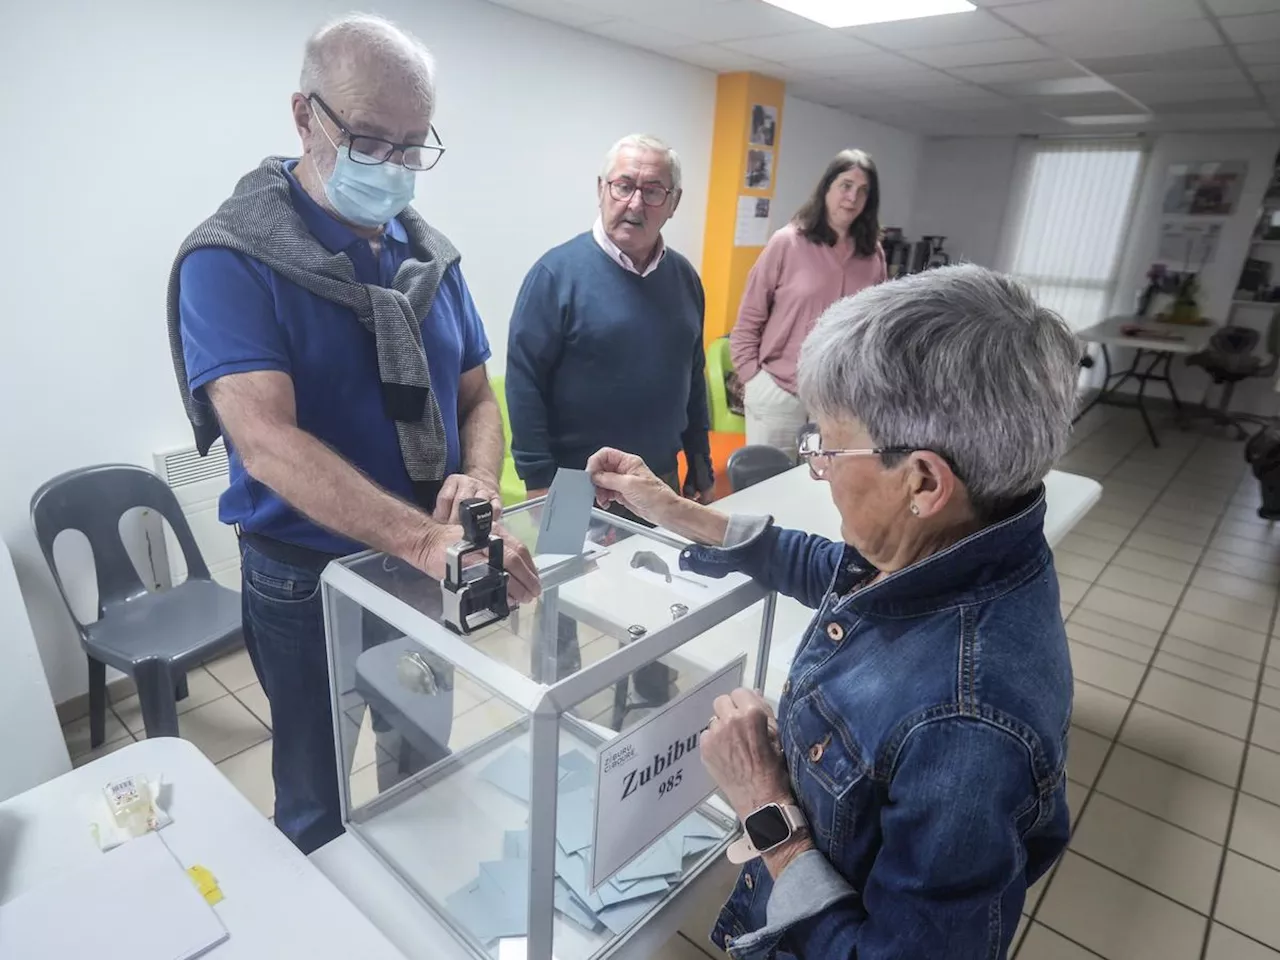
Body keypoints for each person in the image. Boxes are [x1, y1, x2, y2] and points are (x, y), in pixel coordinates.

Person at [587, 264, 1078, 959]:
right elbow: (833, 569)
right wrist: (677, 512)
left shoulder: (965, 729)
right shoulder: (970, 538)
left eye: (827, 447)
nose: (816, 466)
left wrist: (764, 806)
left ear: (924, 481)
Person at [168, 13, 539, 855]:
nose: (397, 165)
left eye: (415, 145)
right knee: (316, 792)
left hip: (425, 563)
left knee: (420, 766)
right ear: (305, 116)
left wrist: (478, 480)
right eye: (371, 139)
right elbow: (265, 442)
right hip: (307, 578)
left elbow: (479, 397)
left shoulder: (430, 257)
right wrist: (422, 540)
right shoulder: (231, 260)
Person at [505, 133, 714, 512]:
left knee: (660, 571)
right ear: (601, 189)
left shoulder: (685, 278)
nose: (635, 203)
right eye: (623, 186)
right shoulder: (554, 275)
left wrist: (700, 462)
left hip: (659, 480)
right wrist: (538, 485)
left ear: (674, 202)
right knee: (569, 572)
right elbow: (524, 383)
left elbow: (693, 376)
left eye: (653, 191)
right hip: (571, 485)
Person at [730, 149, 888, 459]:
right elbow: (749, 317)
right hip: (778, 393)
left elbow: (874, 330)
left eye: (863, 191)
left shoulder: (873, 256)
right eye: (845, 185)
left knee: (817, 491)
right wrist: (754, 379)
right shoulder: (787, 243)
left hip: (836, 401)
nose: (852, 197)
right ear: (827, 188)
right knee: (766, 490)